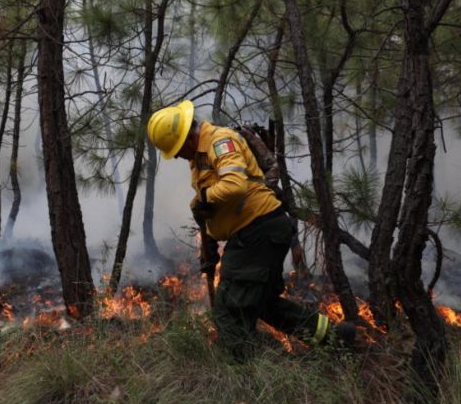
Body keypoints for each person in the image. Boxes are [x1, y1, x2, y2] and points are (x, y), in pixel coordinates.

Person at [147, 100, 355, 359]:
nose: (177, 156)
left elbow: (234, 186)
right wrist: (209, 237)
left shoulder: (219, 141)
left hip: (258, 232)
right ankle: (334, 338)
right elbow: (218, 203)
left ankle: (244, 371)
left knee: (229, 309)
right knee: (263, 304)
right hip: (256, 232)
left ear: (189, 135)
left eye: (177, 149)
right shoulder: (199, 156)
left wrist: (201, 197)